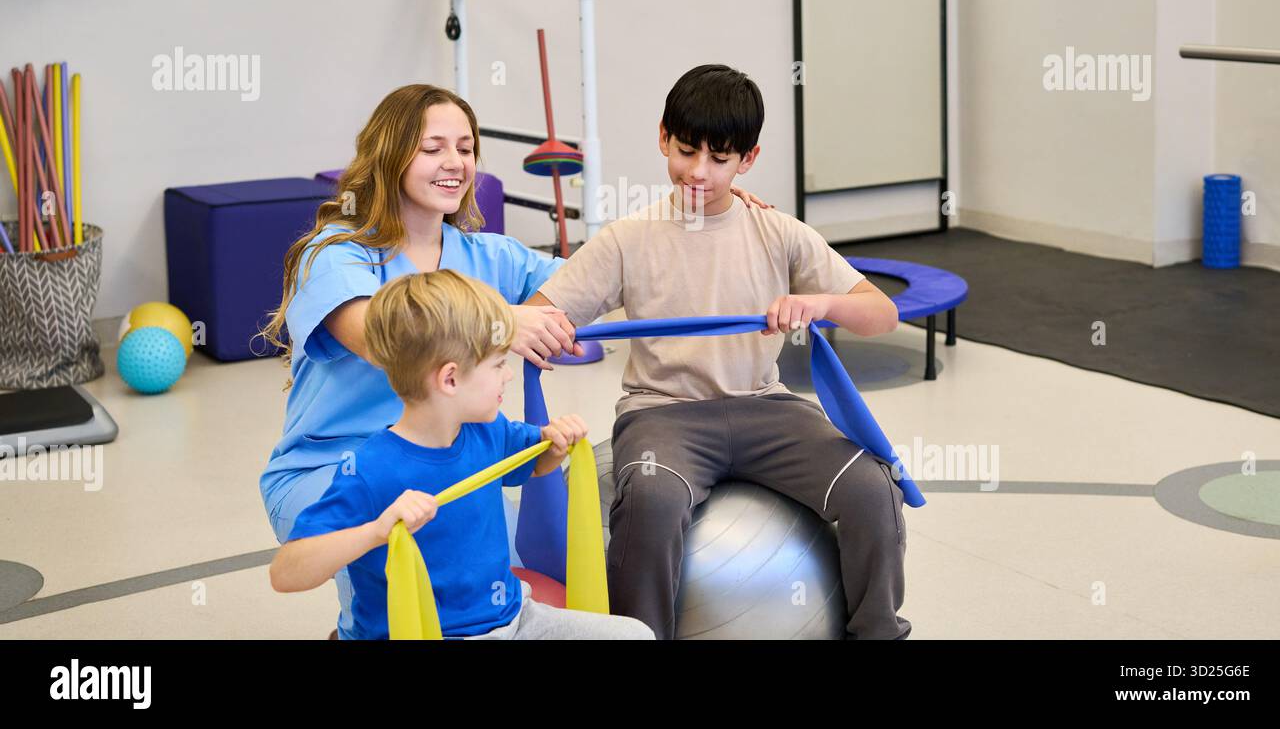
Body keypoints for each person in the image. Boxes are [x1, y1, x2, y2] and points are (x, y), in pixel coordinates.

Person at [257, 83, 767, 637]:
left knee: (498, 584)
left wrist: (718, 213)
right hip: (336, 468)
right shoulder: (337, 252)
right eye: (433, 148)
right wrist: (504, 323)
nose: (454, 162)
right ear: (390, 153)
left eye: (466, 148)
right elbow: (379, 335)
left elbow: (613, 275)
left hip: (451, 459)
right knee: (402, 598)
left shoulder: (487, 255)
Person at [526, 64, 911, 639]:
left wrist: (820, 304)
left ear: (748, 160)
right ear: (663, 137)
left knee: (872, 489)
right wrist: (548, 332)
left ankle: (876, 635)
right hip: (662, 415)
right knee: (650, 502)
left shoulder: (776, 230)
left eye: (720, 159)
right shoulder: (626, 238)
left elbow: (882, 313)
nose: (699, 173)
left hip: (767, 408)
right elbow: (539, 315)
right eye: (685, 151)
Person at [269, 269, 653, 640]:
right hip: (428, 632)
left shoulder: (488, 430)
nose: (507, 376)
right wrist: (375, 531)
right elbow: (286, 574)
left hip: (513, 620)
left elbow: (534, 463)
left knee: (635, 635)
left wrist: (555, 444)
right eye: (499, 364)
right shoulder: (370, 470)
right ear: (450, 379)